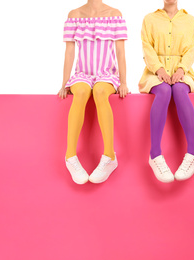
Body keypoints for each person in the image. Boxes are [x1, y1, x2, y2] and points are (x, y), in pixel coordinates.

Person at [58, 0, 128, 184]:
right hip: (82, 74)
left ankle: (109, 155)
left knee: (99, 91)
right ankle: (70, 156)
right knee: (80, 92)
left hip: (107, 73)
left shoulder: (115, 14)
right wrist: (64, 82)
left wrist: (124, 82)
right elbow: (69, 52)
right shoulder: (74, 15)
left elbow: (120, 52)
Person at [139, 0, 194, 183]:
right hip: (154, 72)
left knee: (180, 91)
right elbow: (147, 47)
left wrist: (181, 69)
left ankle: (193, 151)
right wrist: (159, 69)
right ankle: (155, 154)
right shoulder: (149, 19)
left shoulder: (190, 20)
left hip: (183, 71)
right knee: (165, 91)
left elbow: (191, 50)